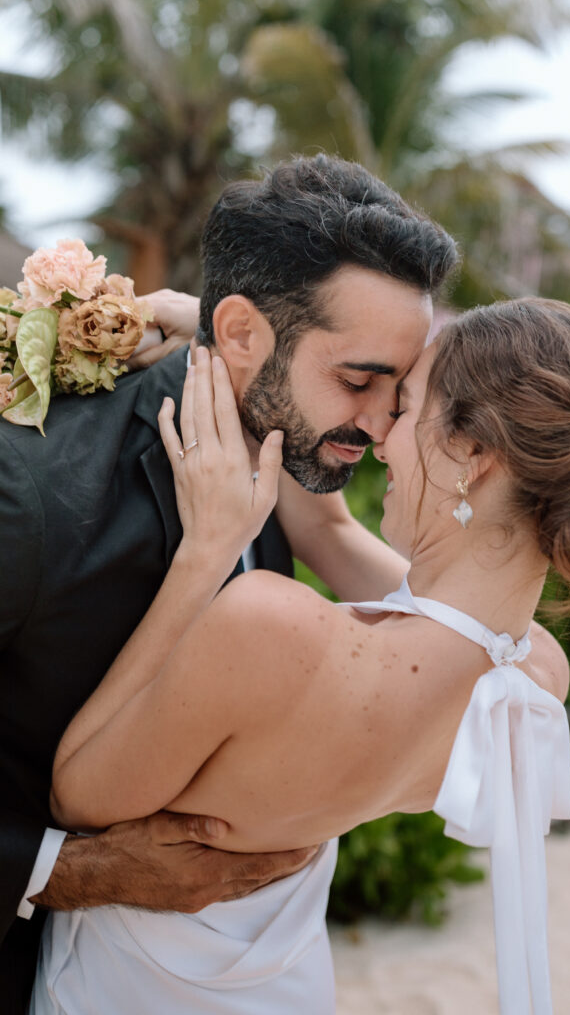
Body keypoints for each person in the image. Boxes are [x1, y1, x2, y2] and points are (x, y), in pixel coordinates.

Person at [32, 299, 570, 1014]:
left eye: (402, 410)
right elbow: (324, 526)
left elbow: (76, 794)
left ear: (471, 452)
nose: (377, 436)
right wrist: (235, 340)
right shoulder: (530, 676)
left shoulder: (273, 627)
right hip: (283, 987)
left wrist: (205, 553)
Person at [0, 153, 462, 1013]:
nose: (379, 423)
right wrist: (65, 870)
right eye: (359, 380)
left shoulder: (288, 455)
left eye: (396, 390)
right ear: (245, 334)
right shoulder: (31, 492)